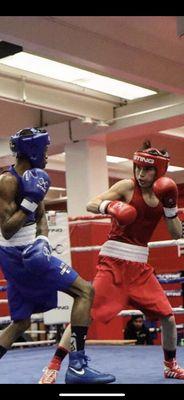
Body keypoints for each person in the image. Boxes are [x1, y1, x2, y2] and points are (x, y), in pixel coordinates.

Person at [40, 140, 184, 383]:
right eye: (138, 167)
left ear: (158, 171)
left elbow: (176, 233)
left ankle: (170, 365)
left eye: (147, 169)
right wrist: (111, 206)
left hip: (140, 268)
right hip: (113, 263)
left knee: (168, 317)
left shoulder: (164, 193)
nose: (140, 173)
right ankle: (53, 367)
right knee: (85, 311)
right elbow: (91, 203)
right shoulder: (127, 186)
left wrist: (171, 209)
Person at [0, 127, 115, 385]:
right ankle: (77, 368)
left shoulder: (35, 177)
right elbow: (7, 230)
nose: (48, 155)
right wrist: (29, 201)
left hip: (30, 250)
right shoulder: (8, 181)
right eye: (44, 150)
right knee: (85, 291)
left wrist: (42, 240)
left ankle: (76, 367)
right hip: (16, 253)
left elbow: (41, 219)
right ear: (31, 151)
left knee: (20, 322)